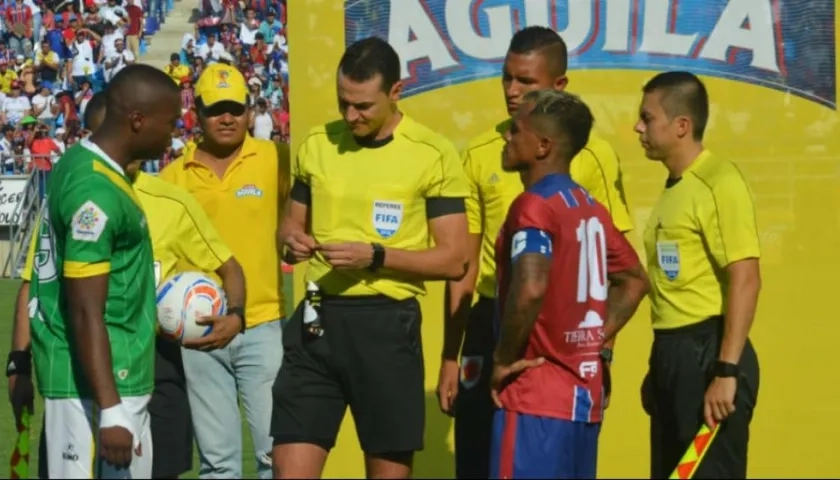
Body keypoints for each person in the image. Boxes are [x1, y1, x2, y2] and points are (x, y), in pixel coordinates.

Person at [7, 90, 249, 479]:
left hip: (147, 365)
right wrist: (19, 363)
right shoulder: (88, 192)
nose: (173, 134)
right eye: (169, 123)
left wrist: (235, 314)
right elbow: (49, 290)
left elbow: (230, 266)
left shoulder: (163, 198)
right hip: (83, 373)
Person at [436, 26, 635, 478]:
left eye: (526, 81)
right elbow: (465, 265)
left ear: (559, 85)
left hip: (555, 338)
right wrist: (450, 355)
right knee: (477, 460)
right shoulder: (482, 152)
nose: (512, 90)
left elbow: (613, 267)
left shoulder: (591, 156)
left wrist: (598, 348)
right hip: (491, 322)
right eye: (506, 77)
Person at [272, 37, 469, 479]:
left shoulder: (432, 153)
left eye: (362, 106)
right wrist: (291, 242)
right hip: (316, 317)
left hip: (386, 324)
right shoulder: (317, 144)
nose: (350, 116)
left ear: (396, 92)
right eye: (343, 102)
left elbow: (454, 260)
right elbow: (288, 228)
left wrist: (376, 257)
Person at [14, 64, 181, 479]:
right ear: (138, 120)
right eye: (170, 121)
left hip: (100, 376)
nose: (174, 133)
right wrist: (111, 409)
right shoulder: (96, 195)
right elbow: (85, 308)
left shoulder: (81, 161)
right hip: (100, 385)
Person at [488, 89, 649, 479]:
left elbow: (530, 287)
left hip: (535, 400)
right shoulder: (588, 205)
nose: (506, 136)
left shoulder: (533, 205)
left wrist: (503, 360)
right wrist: (590, 342)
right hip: (582, 402)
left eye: (515, 129)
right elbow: (634, 281)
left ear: (543, 146)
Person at [159, 62, 290, 480]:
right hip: (197, 332)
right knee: (217, 463)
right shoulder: (172, 177)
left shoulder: (275, 159)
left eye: (236, 107)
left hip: (262, 324)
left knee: (276, 456)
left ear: (250, 111)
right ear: (197, 112)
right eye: (216, 109)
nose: (227, 117)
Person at [635, 71, 761, 478]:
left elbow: (746, 278)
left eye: (647, 118)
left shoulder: (719, 180)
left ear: (681, 125)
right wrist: (661, 367)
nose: (637, 127)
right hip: (673, 353)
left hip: (709, 354)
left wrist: (725, 371)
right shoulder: (675, 188)